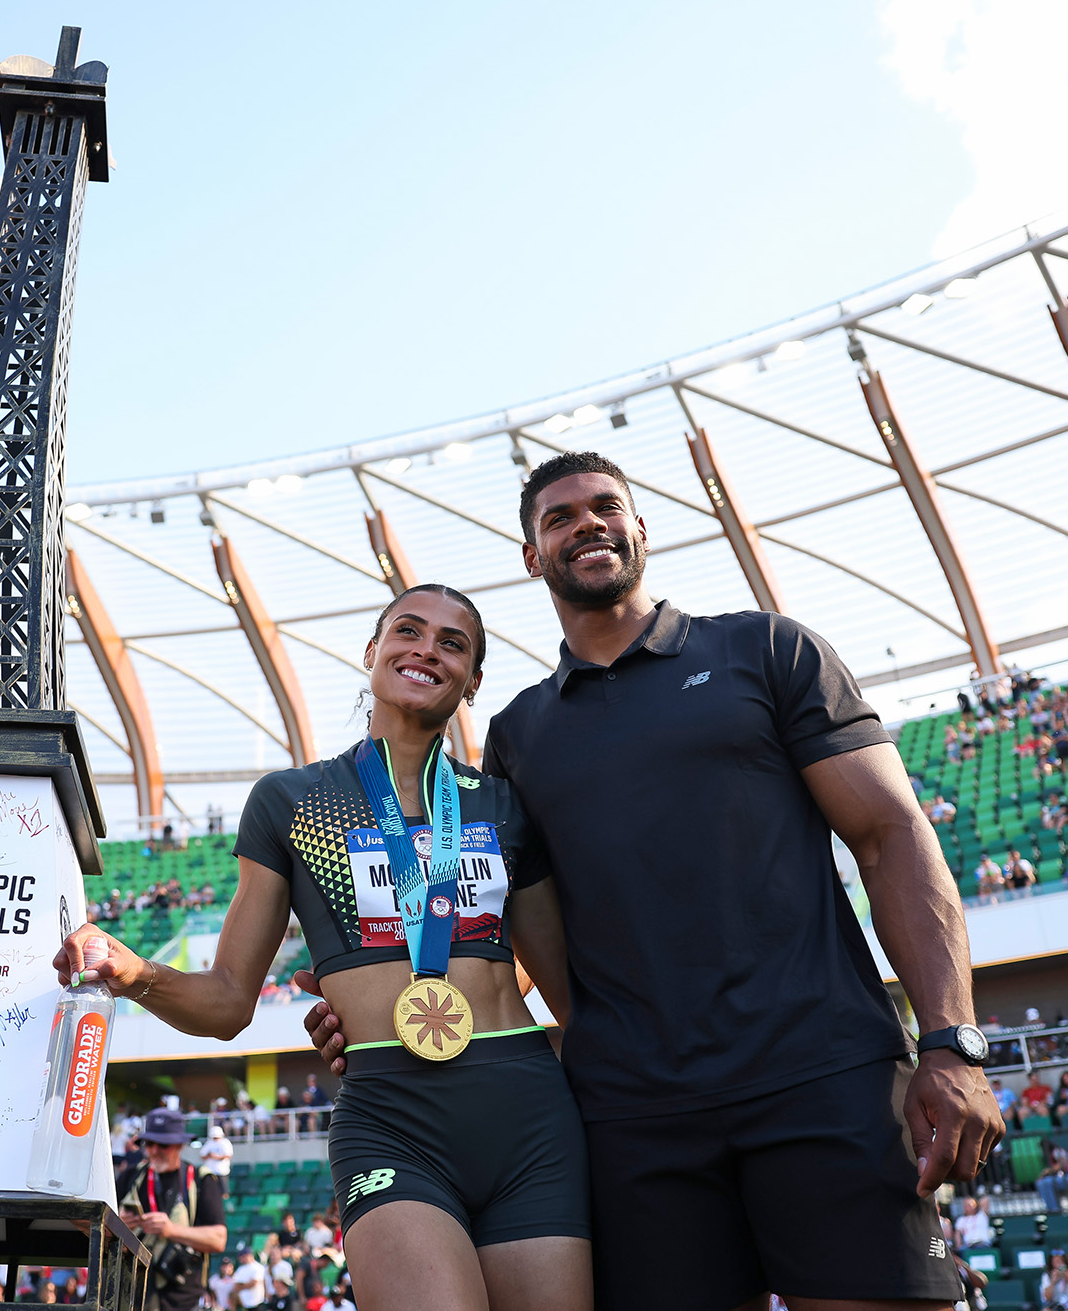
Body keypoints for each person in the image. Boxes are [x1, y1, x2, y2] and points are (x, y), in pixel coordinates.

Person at [300, 452, 1002, 1309]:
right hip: (635, 1116)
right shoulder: (520, 734)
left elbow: (893, 837)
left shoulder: (768, 649)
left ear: (640, 529)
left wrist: (953, 1042)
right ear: (533, 556)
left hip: (822, 1076)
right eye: (559, 517)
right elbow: (514, 932)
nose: (586, 524)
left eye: (605, 507)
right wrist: (387, 1009)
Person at [58, 585, 590, 1311]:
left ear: (472, 681)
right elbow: (225, 1006)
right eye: (408, 630)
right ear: (372, 652)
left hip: (528, 1112)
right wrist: (131, 969)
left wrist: (464, 985)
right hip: (392, 1118)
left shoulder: (501, 802)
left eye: (453, 642)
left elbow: (562, 985)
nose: (427, 648)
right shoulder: (292, 800)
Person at [110, 1109, 225, 1311]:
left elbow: (218, 1239)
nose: (154, 1150)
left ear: (180, 1144)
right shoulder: (129, 1177)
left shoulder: (201, 1180)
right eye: (149, 1143)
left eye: (163, 1144)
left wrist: (171, 1230)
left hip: (185, 1301)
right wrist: (118, 1226)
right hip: (132, 1297)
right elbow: (98, 1235)